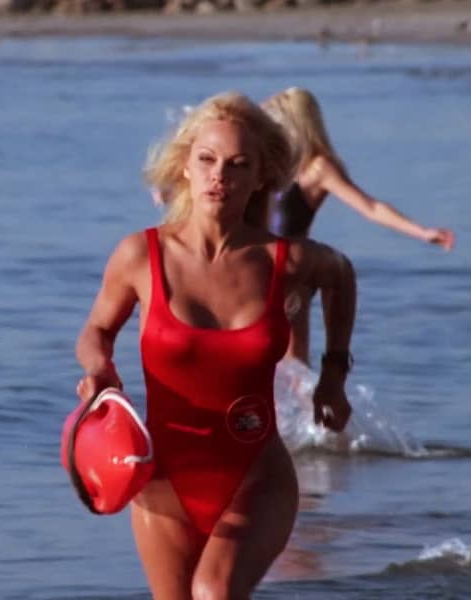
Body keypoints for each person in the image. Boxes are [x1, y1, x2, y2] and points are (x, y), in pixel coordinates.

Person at [74, 91, 357, 600]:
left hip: (256, 473)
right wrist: (99, 371)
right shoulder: (141, 254)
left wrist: (334, 376)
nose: (218, 175)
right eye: (206, 160)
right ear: (184, 165)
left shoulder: (286, 261)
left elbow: (341, 276)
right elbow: (96, 331)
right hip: (162, 480)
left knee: (215, 592)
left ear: (261, 177)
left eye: (237, 165)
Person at [263, 86, 454, 364]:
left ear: (295, 122)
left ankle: (307, 407)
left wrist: (422, 232)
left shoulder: (319, 167)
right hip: (255, 265)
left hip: (292, 270)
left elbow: (371, 207)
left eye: (276, 119)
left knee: (293, 359)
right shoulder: (274, 164)